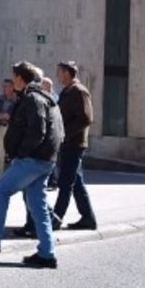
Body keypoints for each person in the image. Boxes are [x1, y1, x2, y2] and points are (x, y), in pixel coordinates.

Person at [0, 61, 64, 268]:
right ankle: (47, 254)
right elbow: (57, 131)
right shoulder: (45, 98)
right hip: (45, 160)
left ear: (21, 78)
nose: (12, 82)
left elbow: (37, 132)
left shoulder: (32, 99)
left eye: (14, 77)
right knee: (37, 206)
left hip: (32, 160)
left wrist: (20, 153)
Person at [51, 61, 97, 230]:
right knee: (76, 182)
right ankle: (88, 218)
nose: (57, 75)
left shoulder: (79, 91)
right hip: (69, 143)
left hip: (74, 143)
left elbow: (86, 118)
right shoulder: (69, 91)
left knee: (65, 182)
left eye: (59, 72)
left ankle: (55, 218)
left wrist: (65, 134)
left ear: (67, 73)